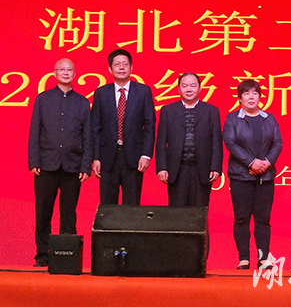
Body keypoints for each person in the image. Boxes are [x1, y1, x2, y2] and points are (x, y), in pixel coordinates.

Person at [28, 58, 91, 267]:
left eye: (69, 70)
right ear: (54, 73)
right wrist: (34, 160)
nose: (66, 73)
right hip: (46, 164)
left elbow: (87, 136)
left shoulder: (82, 102)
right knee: (43, 211)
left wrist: (85, 165)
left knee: (69, 213)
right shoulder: (43, 99)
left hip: (73, 165)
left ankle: (66, 256)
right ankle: (42, 254)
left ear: (75, 74)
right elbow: (35, 131)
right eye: (62, 69)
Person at [223, 79, 282, 269]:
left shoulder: (269, 118)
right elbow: (230, 143)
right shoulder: (233, 119)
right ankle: (244, 258)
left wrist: (267, 162)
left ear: (260, 97)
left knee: (263, 218)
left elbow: (278, 143)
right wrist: (251, 162)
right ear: (239, 98)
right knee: (242, 218)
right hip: (241, 176)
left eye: (255, 93)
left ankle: (263, 258)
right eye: (246, 93)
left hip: (265, 176)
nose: (251, 97)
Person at [91, 49, 156, 205]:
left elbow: (150, 125)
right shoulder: (101, 93)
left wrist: (146, 155)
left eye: (125, 64)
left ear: (131, 68)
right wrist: (96, 157)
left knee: (132, 206)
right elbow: (95, 128)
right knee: (108, 206)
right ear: (110, 69)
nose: (121, 67)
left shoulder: (143, 92)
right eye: (117, 64)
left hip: (134, 158)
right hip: (107, 158)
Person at [155, 72, 223, 207]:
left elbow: (216, 142)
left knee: (199, 212)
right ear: (178, 89)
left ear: (199, 87)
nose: (189, 89)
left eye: (193, 85)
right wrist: (161, 167)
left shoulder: (211, 111)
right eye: (184, 86)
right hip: (176, 169)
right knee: (177, 213)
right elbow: (161, 141)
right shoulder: (168, 110)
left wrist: (215, 167)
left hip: (202, 169)